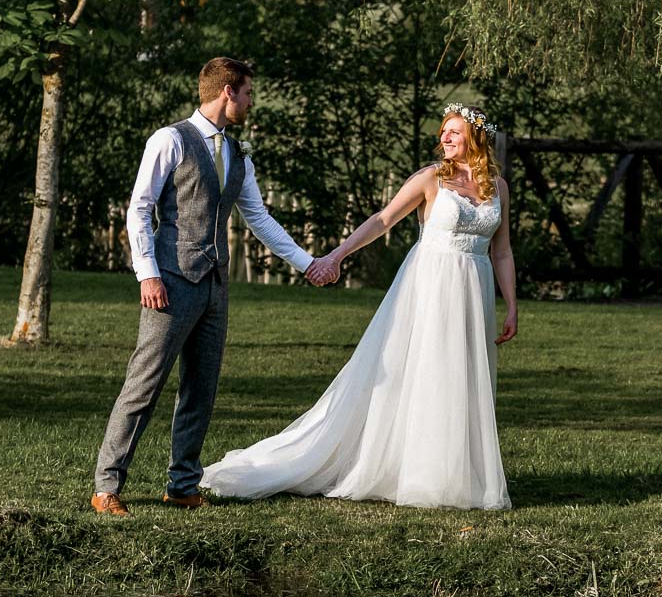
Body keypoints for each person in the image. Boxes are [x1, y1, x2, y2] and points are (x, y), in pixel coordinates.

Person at [199, 103, 517, 511]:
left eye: (454, 131)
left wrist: (511, 305)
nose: (445, 138)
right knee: (430, 370)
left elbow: (502, 250)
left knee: (465, 375)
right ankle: (422, 474)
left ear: (475, 136)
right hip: (432, 287)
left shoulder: (497, 187)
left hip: (473, 290)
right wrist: (336, 256)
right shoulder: (431, 179)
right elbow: (383, 220)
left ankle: (459, 474)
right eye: (443, 131)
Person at [92, 56, 323, 514]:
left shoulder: (237, 154)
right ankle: (106, 486)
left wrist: (307, 263)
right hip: (170, 281)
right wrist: (148, 273)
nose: (251, 101)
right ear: (227, 92)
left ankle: (182, 484)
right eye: (248, 93)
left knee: (201, 389)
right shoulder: (170, 139)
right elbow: (139, 208)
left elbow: (259, 219)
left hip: (216, 285)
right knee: (144, 384)